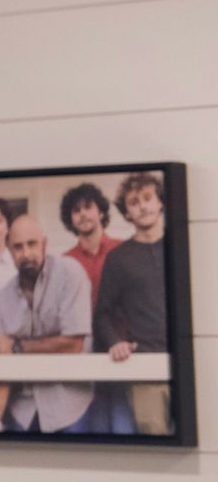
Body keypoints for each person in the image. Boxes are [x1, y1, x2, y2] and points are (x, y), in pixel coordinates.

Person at [0, 214, 93, 433]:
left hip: (69, 406)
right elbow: (2, 365)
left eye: (32, 244)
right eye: (18, 247)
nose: (26, 254)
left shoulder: (70, 273)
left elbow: (74, 345)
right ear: (9, 250)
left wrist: (18, 346)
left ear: (44, 243)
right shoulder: (4, 298)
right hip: (23, 410)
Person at [97, 172, 173, 435]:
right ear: (127, 212)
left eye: (148, 198)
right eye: (134, 201)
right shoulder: (118, 259)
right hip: (146, 369)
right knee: (158, 443)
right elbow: (103, 314)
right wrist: (114, 342)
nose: (142, 205)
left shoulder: (182, 245)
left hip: (193, 362)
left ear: (160, 202)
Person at [58, 181, 131, 433]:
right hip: (83, 352)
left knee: (123, 426)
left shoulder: (123, 251)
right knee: (94, 426)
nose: (83, 214)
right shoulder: (65, 262)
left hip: (121, 348)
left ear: (100, 211)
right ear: (70, 219)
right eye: (76, 210)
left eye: (88, 207)